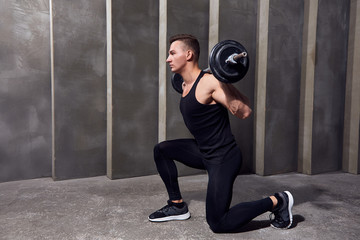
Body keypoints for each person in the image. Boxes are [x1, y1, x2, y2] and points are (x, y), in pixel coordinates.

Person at [148, 34, 294, 233]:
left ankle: (278, 201)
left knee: (218, 223)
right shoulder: (184, 84)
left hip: (223, 157)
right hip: (204, 151)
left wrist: (221, 80)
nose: (168, 59)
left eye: (173, 53)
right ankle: (177, 205)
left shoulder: (209, 83)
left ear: (188, 54)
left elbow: (245, 111)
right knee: (162, 150)